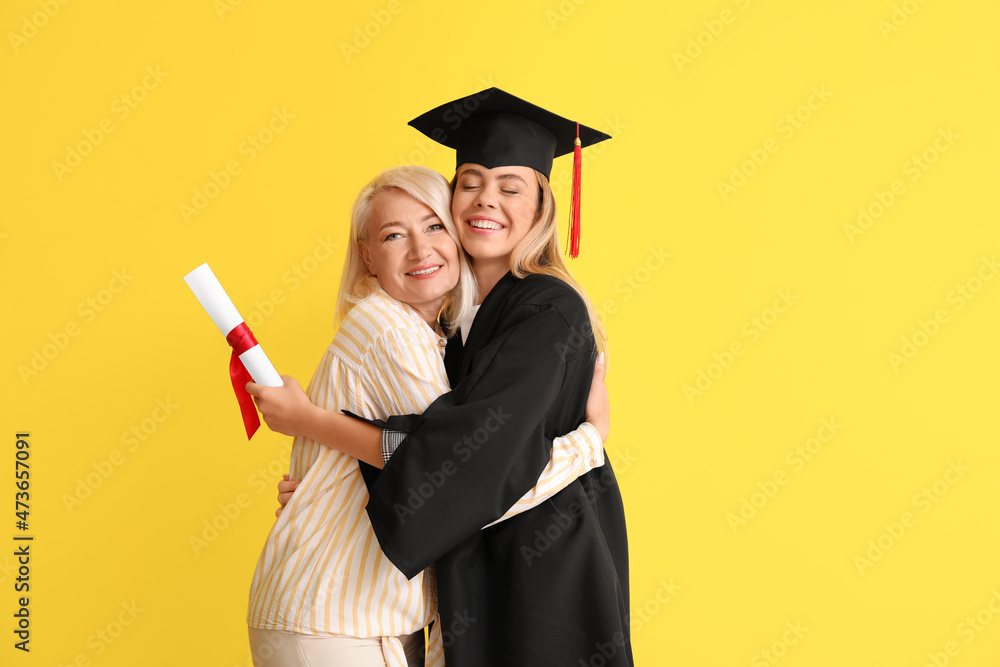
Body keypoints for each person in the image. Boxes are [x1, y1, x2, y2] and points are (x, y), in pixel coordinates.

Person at [267, 89, 631, 666]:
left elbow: (466, 464)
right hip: (478, 577)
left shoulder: (546, 311)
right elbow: (427, 442)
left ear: (542, 206)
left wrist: (317, 426)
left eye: (511, 187)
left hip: (544, 574)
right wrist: (329, 485)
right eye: (470, 182)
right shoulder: (456, 323)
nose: (487, 200)